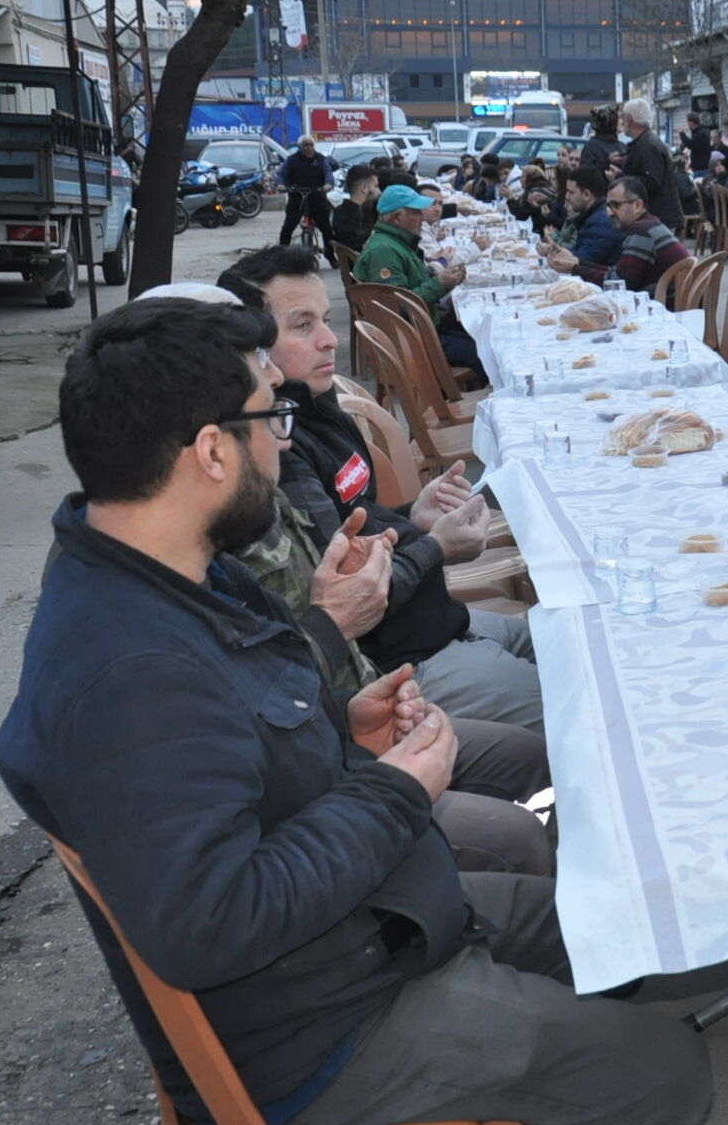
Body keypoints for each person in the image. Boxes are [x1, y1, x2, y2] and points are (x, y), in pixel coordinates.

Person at [0, 296, 710, 1125]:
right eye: (267, 421)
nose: (281, 442)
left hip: (358, 923)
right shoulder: (132, 668)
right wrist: (390, 792)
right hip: (309, 1025)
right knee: (668, 1081)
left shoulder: (160, 572)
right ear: (210, 450)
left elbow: (222, 761)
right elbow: (207, 918)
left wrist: (342, 727)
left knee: (606, 924)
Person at [228, 245, 545, 734]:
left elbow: (359, 518)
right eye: (302, 325)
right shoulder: (279, 446)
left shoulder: (318, 404)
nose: (329, 340)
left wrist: (411, 515)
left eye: (326, 320)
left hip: (439, 620)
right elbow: (352, 590)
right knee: (584, 702)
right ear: (255, 348)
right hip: (405, 665)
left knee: (567, 642)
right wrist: (436, 545)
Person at [348, 186, 480, 375]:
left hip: (422, 330)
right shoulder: (383, 252)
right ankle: (451, 397)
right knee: (485, 353)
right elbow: (397, 305)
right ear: (397, 218)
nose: (423, 217)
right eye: (417, 212)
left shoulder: (396, 243)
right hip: (413, 342)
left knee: (480, 333)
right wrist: (440, 284)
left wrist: (439, 276)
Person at [550, 177, 686, 292]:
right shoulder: (649, 225)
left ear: (637, 205)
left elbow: (620, 284)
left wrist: (574, 269)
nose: (609, 212)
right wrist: (577, 262)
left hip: (668, 310)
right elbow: (618, 272)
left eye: (616, 205)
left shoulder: (642, 231)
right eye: (608, 206)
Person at [618, 98, 685, 235]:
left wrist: (621, 178)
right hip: (654, 218)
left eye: (623, 117)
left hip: (659, 219)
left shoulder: (649, 145)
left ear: (629, 119)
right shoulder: (645, 142)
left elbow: (651, 181)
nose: (622, 121)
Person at [554, 167, 623, 278]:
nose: (567, 197)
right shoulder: (592, 216)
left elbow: (583, 260)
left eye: (571, 192)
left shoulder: (601, 222)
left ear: (586, 194)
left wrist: (554, 252)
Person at [276, 135, 338, 256]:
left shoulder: (321, 159)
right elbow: (281, 174)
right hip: (297, 198)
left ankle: (330, 255)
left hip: (317, 198)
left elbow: (328, 173)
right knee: (288, 228)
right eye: (305, 145)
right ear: (299, 147)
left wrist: (328, 184)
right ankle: (281, 256)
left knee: (327, 229)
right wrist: (280, 184)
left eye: (311, 145)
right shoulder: (291, 160)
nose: (309, 148)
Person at [333, 163, 379, 253]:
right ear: (364, 188)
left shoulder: (339, 212)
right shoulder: (364, 218)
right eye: (376, 186)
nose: (379, 192)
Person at [578, 104, 622, 178]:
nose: (621, 121)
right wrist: (607, 161)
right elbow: (586, 175)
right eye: (618, 119)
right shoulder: (591, 147)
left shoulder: (622, 145)